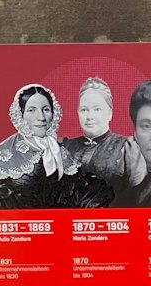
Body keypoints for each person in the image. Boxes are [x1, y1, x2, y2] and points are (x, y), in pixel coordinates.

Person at [55, 78, 144, 208]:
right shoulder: (65, 147)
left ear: (110, 113)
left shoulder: (127, 148)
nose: (90, 116)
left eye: (97, 109)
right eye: (84, 110)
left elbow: (140, 198)